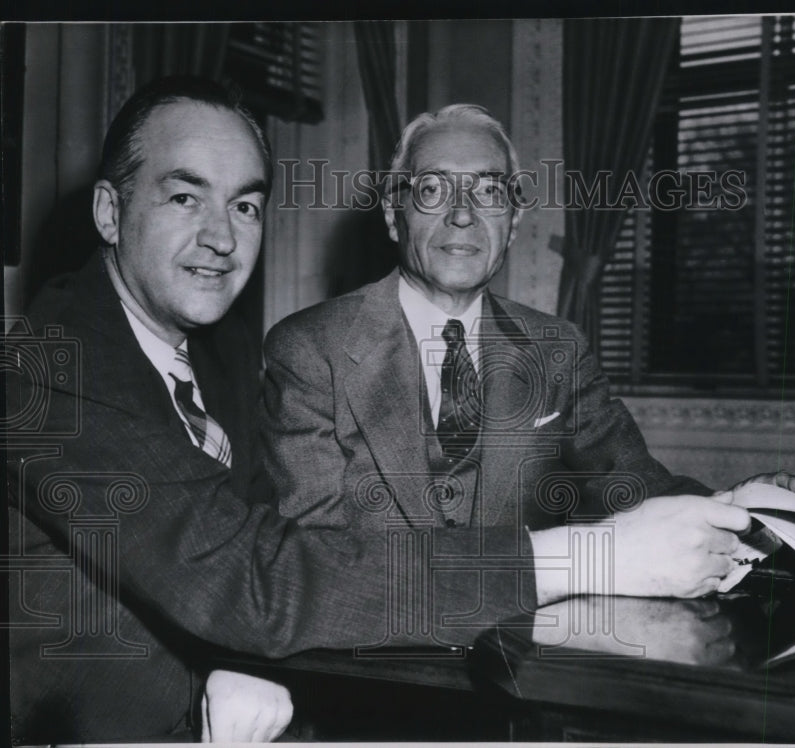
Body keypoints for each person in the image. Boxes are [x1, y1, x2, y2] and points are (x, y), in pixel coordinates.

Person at [6, 78, 474, 744]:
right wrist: (541, 565)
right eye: (184, 196)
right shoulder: (49, 371)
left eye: (246, 206)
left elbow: (271, 525)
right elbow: (245, 576)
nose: (223, 237)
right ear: (110, 213)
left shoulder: (215, 352)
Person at [261, 104, 795, 643]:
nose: (462, 214)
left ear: (514, 221)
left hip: (519, 668)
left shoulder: (556, 349)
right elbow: (317, 565)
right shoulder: (312, 350)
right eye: (433, 189)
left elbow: (636, 487)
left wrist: (739, 505)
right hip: (370, 669)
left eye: (489, 192)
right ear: (392, 212)